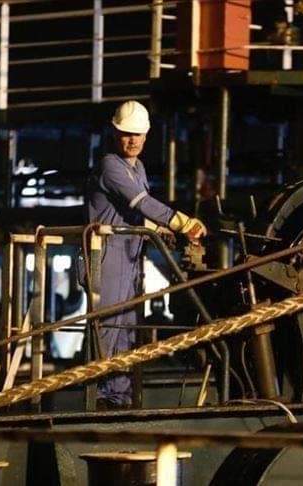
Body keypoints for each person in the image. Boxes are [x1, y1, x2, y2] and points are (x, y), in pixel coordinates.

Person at [85, 100, 207, 408]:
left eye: (138, 134)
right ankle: (97, 397)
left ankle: (119, 397)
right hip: (107, 257)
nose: (133, 140)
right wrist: (182, 222)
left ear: (146, 135)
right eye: (127, 134)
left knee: (126, 330)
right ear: (115, 133)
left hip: (130, 256)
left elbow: (137, 212)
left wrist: (161, 229)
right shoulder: (110, 165)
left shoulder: (137, 168)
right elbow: (142, 203)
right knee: (107, 329)